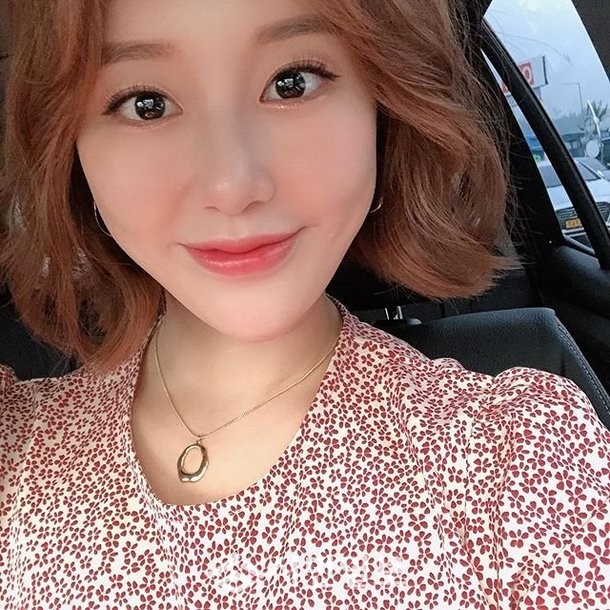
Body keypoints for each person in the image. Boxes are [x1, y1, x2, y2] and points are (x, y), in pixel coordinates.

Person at [1, 0, 609, 608]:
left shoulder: (523, 465)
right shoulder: (18, 445)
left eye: (292, 82)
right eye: (146, 104)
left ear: (384, 107)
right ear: (72, 149)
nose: (232, 186)